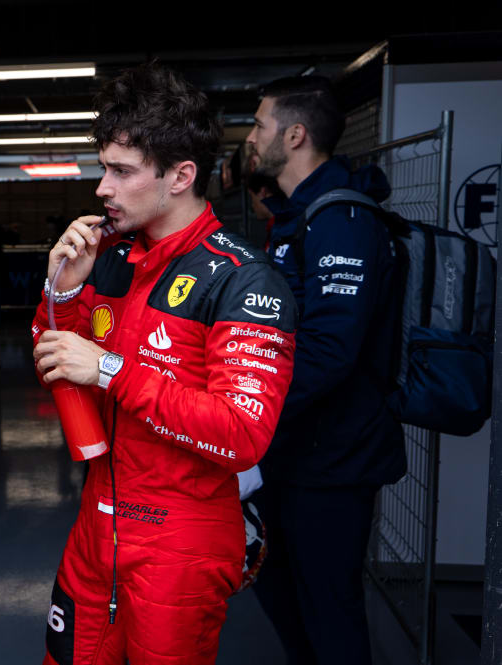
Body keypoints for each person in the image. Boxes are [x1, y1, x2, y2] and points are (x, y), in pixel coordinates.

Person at [31, 63, 297, 665]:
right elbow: (58, 362)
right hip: (96, 527)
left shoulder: (244, 281)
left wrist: (112, 371)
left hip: (182, 541)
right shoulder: (108, 258)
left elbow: (242, 436)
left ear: (181, 176)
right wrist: (65, 295)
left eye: (121, 172)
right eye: (104, 168)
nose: (102, 187)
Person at [245, 75, 405, 665]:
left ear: (295, 133)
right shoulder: (298, 215)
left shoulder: (339, 217)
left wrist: (249, 414)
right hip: (293, 452)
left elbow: (330, 349)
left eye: (261, 125)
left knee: (329, 610)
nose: (253, 137)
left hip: (334, 460)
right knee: (276, 584)